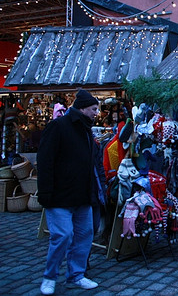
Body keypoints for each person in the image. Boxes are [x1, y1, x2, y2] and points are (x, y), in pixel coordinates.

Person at [37, 89, 102, 294]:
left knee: (84, 235)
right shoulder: (58, 127)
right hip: (59, 195)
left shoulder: (85, 129)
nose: (96, 113)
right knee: (63, 235)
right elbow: (45, 161)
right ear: (82, 108)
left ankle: (77, 275)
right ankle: (49, 277)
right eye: (93, 109)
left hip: (82, 195)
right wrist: (45, 193)